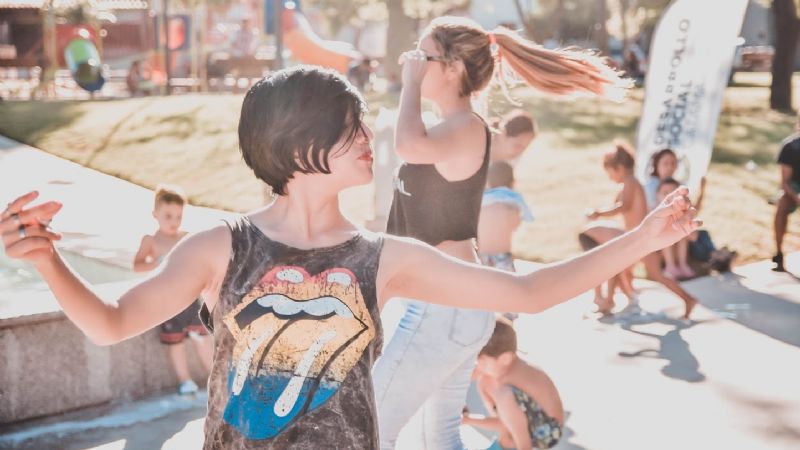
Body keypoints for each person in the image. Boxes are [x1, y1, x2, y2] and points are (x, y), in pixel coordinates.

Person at [0, 66, 698, 449]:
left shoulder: (383, 256)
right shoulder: (220, 245)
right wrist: (47, 261)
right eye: (351, 126)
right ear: (298, 142)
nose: (371, 136)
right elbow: (112, 321)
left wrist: (644, 238)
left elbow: (528, 294)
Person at [376, 15, 630, 450]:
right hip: (439, 301)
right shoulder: (447, 129)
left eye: (422, 56)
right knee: (432, 439)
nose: (411, 62)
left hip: (443, 303)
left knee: (373, 425)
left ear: (453, 68)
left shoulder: (467, 127)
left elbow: (407, 146)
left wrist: (410, 84)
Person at [132, 185, 213, 395]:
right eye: (168, 216)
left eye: (178, 216)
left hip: (191, 299)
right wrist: (158, 263)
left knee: (202, 338)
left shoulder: (185, 237)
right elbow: (137, 265)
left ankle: (216, 377)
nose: (174, 222)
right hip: (166, 302)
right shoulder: (150, 240)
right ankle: (185, 381)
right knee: (175, 342)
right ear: (155, 215)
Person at [462, 318, 563, 450]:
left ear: (505, 358)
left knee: (502, 395)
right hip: (532, 420)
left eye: (483, 362)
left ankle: (506, 444)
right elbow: (468, 374)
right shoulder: (506, 364)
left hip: (545, 433)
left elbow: (524, 445)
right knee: (485, 381)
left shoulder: (506, 394)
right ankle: (505, 441)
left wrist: (468, 420)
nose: (477, 365)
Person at [581, 143, 644, 313]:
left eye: (610, 172)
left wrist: (598, 213)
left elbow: (623, 206)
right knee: (620, 268)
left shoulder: (630, 181)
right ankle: (618, 298)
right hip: (633, 234)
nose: (609, 177)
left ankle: (609, 300)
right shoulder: (628, 183)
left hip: (636, 235)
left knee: (611, 262)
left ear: (620, 167)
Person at [643, 148, 695, 280]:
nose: (670, 167)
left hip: (675, 219)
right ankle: (670, 265)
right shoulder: (650, 186)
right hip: (658, 223)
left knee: (682, 229)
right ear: (657, 165)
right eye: (665, 163)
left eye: (673, 163)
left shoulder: (677, 184)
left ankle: (682, 264)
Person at [478, 161, 534, 272]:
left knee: (481, 286)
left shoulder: (482, 199)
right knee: (507, 284)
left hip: (480, 255)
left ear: (488, 182)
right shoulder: (513, 199)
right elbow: (520, 222)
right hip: (502, 257)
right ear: (513, 182)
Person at [773, 116, 800, 272]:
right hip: (794, 187)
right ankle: (779, 253)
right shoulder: (790, 146)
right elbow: (785, 181)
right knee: (782, 204)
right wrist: (796, 197)